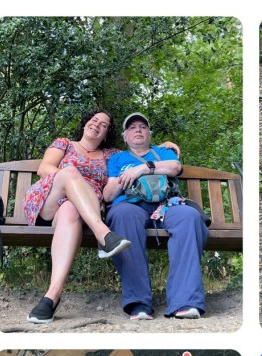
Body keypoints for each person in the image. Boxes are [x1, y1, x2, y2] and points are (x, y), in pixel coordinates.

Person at [23, 111, 130, 324]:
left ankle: (51, 296)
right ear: (85, 123)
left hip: (80, 209)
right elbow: (44, 169)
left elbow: (139, 152)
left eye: (104, 124)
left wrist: (164, 146)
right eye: (94, 120)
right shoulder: (65, 144)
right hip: (50, 199)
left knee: (71, 209)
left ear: (107, 133)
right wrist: (72, 182)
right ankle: (104, 235)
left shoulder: (111, 155)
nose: (97, 125)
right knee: (71, 172)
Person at [103, 113, 209, 320]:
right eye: (132, 127)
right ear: (125, 136)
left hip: (167, 205)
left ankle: (185, 301)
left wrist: (141, 169)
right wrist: (122, 179)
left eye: (143, 127)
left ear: (149, 134)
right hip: (131, 206)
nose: (138, 130)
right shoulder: (117, 159)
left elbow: (175, 168)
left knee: (189, 216)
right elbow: (108, 195)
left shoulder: (163, 152)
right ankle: (139, 302)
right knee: (122, 214)